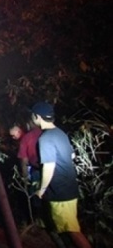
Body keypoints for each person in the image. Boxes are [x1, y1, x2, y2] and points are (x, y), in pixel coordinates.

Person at [31, 101, 92, 248]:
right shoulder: (60, 133)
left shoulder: (45, 138)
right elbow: (71, 156)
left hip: (60, 191)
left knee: (72, 231)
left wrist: (42, 189)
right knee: (69, 228)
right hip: (70, 187)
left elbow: (49, 166)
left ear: (37, 117)